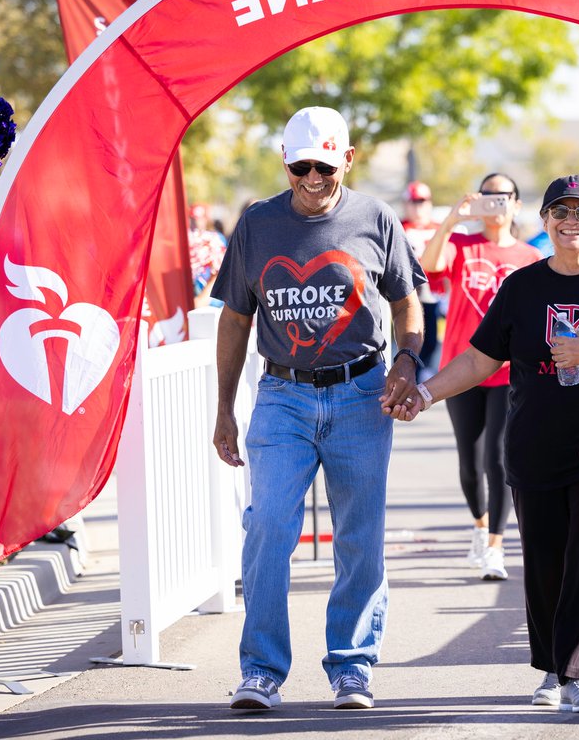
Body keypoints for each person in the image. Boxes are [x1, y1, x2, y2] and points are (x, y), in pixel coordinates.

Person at [391, 174, 579, 714]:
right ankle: (550, 666)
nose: (572, 222)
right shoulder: (522, 287)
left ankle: (578, 675)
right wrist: (424, 393)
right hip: (532, 446)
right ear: (543, 221)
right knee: (544, 564)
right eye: (560, 212)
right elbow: (479, 360)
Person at [210, 106, 426, 712]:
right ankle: (262, 670)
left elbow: (409, 303)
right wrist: (225, 408)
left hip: (363, 395)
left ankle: (352, 667)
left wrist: (408, 362)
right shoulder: (257, 225)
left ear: (347, 161)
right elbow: (234, 320)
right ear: (284, 162)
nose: (311, 178)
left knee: (359, 537)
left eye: (324, 167)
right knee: (268, 528)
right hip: (283, 396)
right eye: (300, 166)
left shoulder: (375, 218)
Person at [419, 173, 541, 580]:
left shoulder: (528, 256)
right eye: (488, 195)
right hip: (461, 368)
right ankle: (479, 524)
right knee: (470, 464)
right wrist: (453, 219)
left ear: (517, 205)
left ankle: (495, 546)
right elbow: (429, 267)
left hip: (508, 372)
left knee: (498, 460)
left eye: (503, 196)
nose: (495, 203)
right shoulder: (461, 245)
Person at [400, 181, 444, 376]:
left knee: (432, 339)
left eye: (422, 201)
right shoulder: (398, 227)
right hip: (408, 292)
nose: (418, 207)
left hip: (435, 293)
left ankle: (421, 374)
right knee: (409, 337)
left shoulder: (439, 228)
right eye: (414, 201)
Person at [188, 202, 227, 309]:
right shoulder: (185, 240)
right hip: (190, 301)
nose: (196, 222)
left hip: (212, 304)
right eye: (193, 218)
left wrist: (203, 299)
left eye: (200, 218)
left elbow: (221, 272)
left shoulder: (215, 239)